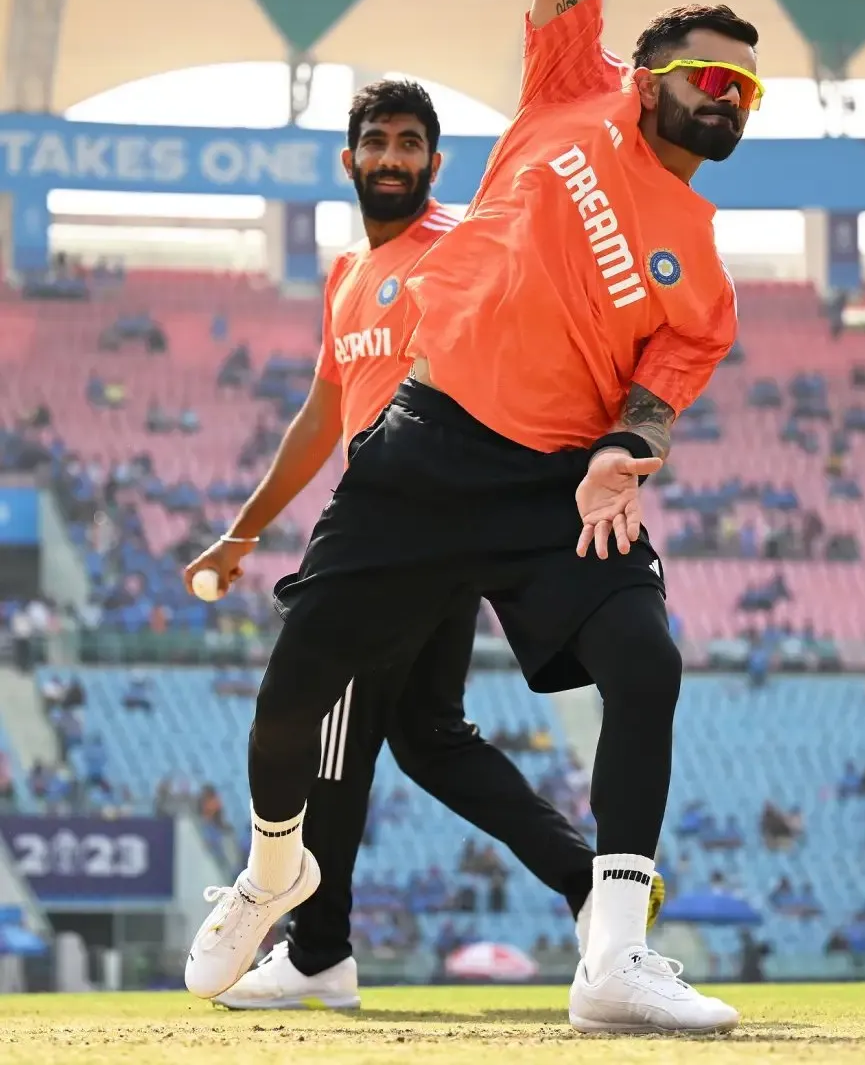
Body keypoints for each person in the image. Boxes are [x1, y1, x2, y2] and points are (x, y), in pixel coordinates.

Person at [185, 0, 753, 1035]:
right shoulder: (570, 86)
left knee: (648, 663)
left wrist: (625, 456)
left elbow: (663, 390)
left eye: (747, 85)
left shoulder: (704, 267)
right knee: (301, 697)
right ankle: (276, 876)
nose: (726, 96)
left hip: (553, 486)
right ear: (646, 67)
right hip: (427, 448)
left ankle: (613, 954)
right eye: (709, 74)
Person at [185, 78, 633, 1010]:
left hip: (410, 531)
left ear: (436, 162)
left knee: (335, 734)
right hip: (389, 532)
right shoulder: (348, 275)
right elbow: (323, 411)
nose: (392, 157)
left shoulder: (461, 250)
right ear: (348, 160)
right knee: (427, 735)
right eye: (376, 142)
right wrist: (243, 530)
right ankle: (583, 880)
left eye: (409, 143)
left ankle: (318, 949)